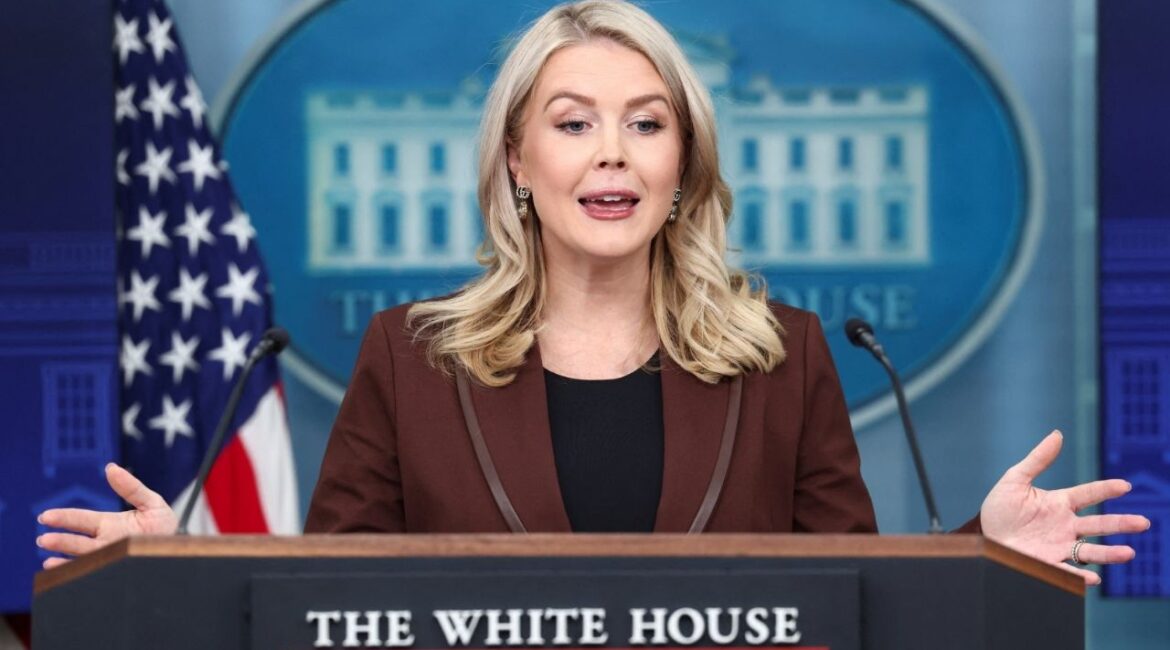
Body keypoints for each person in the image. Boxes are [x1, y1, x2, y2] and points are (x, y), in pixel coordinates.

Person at [38, 0, 1147, 584]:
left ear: (683, 168)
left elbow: (851, 600)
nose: (611, 153)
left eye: (646, 122)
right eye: (573, 123)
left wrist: (979, 552)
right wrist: (177, 568)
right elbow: (326, 605)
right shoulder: (408, 359)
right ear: (518, 162)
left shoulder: (786, 355)